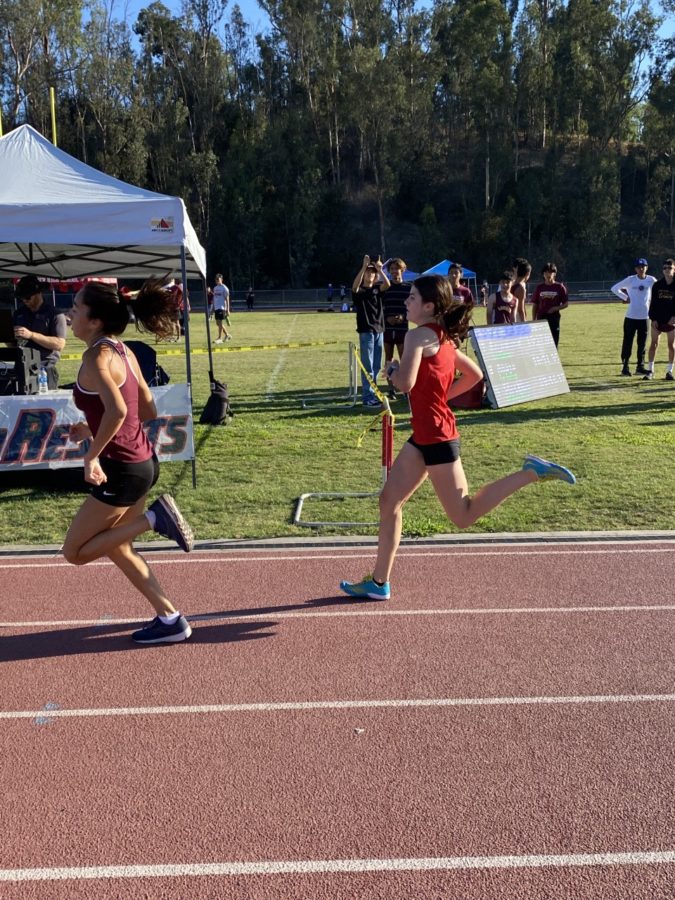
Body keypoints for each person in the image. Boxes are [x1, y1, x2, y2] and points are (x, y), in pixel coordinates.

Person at [339, 275, 576, 600]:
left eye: (411, 298)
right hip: (425, 435)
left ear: (429, 306)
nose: (406, 302)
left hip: (436, 437)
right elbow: (475, 375)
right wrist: (439, 397)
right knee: (389, 501)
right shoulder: (444, 339)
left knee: (463, 514)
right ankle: (379, 583)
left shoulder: (418, 337)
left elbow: (405, 384)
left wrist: (391, 371)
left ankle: (531, 472)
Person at [62, 278, 195, 645]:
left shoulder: (95, 357)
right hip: (144, 463)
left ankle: (156, 519)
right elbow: (147, 408)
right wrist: (90, 428)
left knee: (74, 552)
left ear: (96, 320)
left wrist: (92, 456)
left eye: (76, 308)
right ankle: (171, 619)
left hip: (122, 470)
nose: (70, 314)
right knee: (118, 546)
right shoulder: (122, 350)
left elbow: (119, 409)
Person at [12, 275, 67, 388]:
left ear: (38, 293)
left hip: (45, 369)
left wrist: (31, 335)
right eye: (21, 298)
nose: (24, 301)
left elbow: (59, 344)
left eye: (27, 297)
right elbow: (12, 343)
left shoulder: (54, 314)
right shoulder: (19, 313)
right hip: (22, 368)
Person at [351, 254, 390, 407]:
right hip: (366, 330)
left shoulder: (377, 289)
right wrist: (363, 267)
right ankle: (367, 397)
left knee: (376, 366)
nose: (370, 274)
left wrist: (380, 270)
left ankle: (373, 393)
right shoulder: (360, 291)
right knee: (367, 366)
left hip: (379, 330)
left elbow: (387, 285)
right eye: (368, 272)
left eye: (372, 272)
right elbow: (354, 287)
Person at [611, 258, 655, 376]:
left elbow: (658, 291)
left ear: (646, 267)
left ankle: (640, 367)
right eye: (638, 267)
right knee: (628, 342)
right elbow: (614, 288)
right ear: (635, 268)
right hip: (631, 317)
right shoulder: (631, 280)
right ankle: (625, 367)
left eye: (643, 266)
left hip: (645, 317)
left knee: (642, 343)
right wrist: (625, 298)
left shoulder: (651, 280)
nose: (641, 269)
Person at [643, 258, 675, 381]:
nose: (667, 270)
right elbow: (653, 303)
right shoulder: (657, 285)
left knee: (671, 345)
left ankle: (669, 371)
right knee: (653, 344)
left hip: (671, 320)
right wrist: (653, 318)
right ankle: (650, 370)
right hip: (658, 319)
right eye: (665, 268)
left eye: (670, 267)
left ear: (674, 269)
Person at [382, 258, 409, 399]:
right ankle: (391, 388)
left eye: (396, 269)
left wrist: (403, 317)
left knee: (404, 358)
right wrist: (387, 318)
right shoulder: (386, 287)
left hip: (402, 328)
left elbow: (412, 307)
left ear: (402, 270)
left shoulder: (408, 287)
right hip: (387, 328)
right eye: (391, 269)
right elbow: (381, 307)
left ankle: (405, 388)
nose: (394, 271)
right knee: (389, 359)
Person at [531, 262, 568, 347]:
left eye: (551, 272)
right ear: (543, 274)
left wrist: (555, 308)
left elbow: (566, 304)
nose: (549, 274)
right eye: (546, 272)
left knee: (554, 343)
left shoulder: (560, 287)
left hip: (554, 318)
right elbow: (535, 304)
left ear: (554, 274)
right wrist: (534, 319)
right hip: (541, 318)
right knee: (542, 343)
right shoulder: (539, 287)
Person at [212, 274, 232, 343]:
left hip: (222, 307)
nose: (217, 281)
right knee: (218, 323)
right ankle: (227, 335)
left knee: (220, 322)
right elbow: (214, 298)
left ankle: (219, 338)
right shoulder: (215, 288)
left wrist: (228, 309)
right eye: (216, 280)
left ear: (221, 280)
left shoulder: (224, 288)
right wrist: (213, 308)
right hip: (217, 308)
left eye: (219, 279)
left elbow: (227, 299)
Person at [511, 257, 531, 323]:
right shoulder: (520, 288)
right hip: (516, 317)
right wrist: (524, 322)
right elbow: (520, 309)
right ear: (527, 274)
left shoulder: (511, 283)